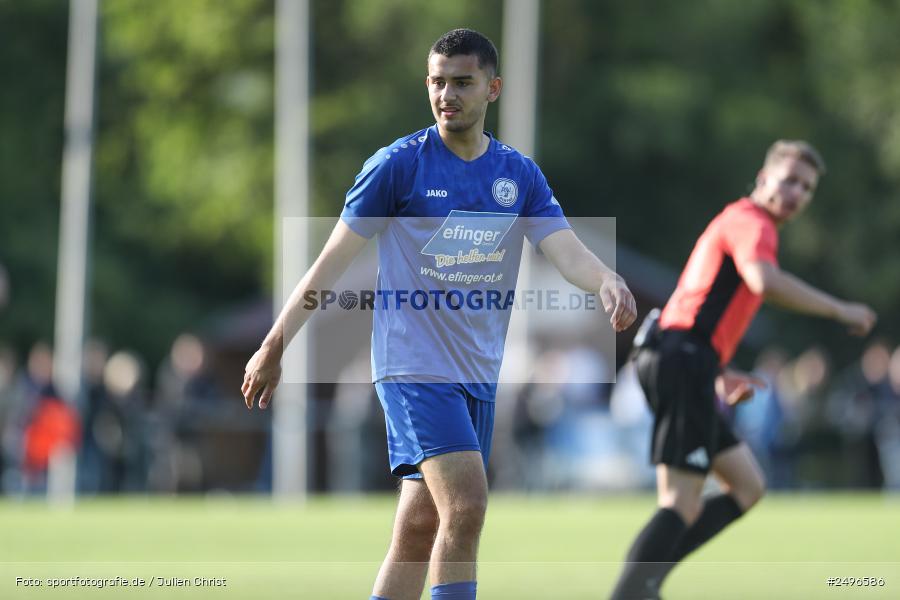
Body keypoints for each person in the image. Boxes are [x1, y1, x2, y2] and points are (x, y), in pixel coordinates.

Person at [241, 28, 637, 600]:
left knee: (420, 526)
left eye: (461, 83)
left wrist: (605, 278)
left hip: (476, 373)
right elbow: (329, 266)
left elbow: (564, 249)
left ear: (492, 88)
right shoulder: (397, 167)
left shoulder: (517, 175)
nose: (446, 95)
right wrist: (274, 345)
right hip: (413, 368)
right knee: (467, 506)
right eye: (437, 82)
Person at [611, 140, 877, 599]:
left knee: (747, 486)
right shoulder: (753, 222)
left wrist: (718, 370)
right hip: (680, 358)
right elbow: (763, 281)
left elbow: (696, 306)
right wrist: (839, 309)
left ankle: (645, 584)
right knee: (679, 503)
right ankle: (631, 593)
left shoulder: (740, 221)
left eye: (806, 188)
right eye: (789, 180)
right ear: (762, 178)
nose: (796, 193)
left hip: (685, 357)